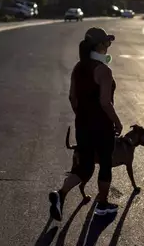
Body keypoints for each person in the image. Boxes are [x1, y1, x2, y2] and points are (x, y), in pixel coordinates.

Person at [49, 27, 123, 221]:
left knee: (85, 166)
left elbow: (72, 97)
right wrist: (117, 121)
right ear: (99, 45)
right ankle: (103, 205)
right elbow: (105, 102)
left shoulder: (78, 67)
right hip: (103, 126)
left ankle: (60, 193)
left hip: (83, 125)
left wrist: (82, 116)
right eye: (107, 42)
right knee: (105, 163)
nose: (108, 46)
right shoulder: (103, 70)